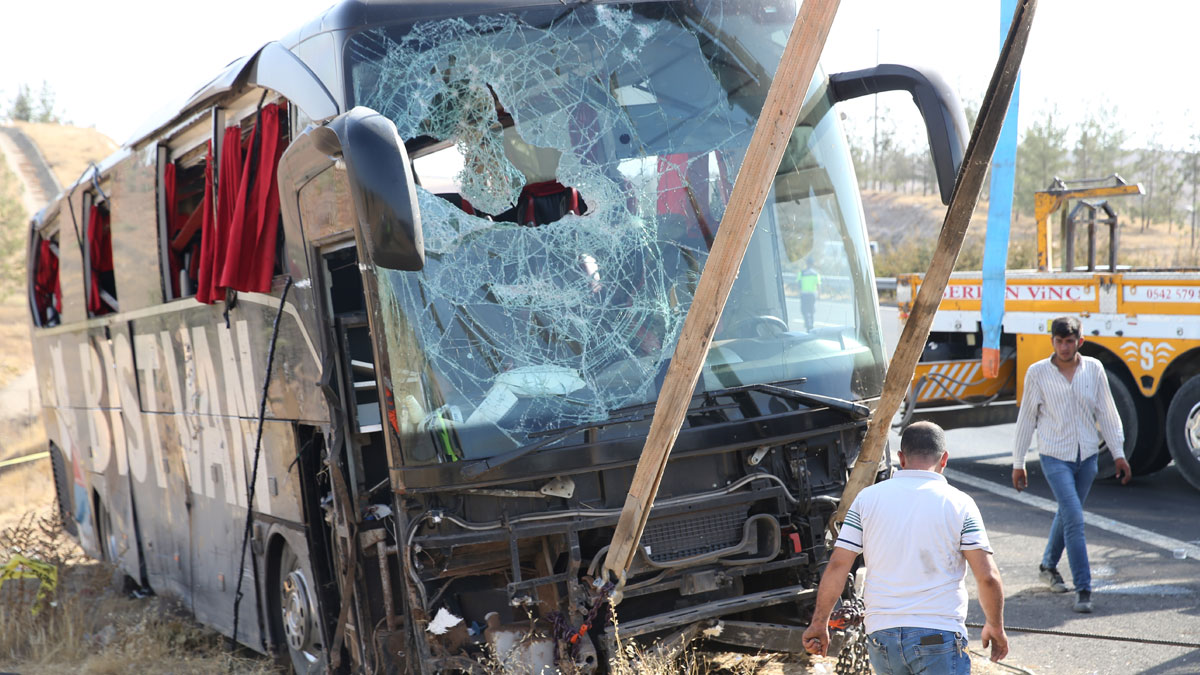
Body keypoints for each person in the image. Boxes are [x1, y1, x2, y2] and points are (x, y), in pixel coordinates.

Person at [802, 422, 1008, 673]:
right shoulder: (961, 504)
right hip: (938, 636)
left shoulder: (867, 499)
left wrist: (819, 622)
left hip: (882, 638)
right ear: (944, 459)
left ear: (900, 458)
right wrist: (995, 626)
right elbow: (987, 576)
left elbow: (837, 565)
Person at [1012, 315, 1131, 614]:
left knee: (1067, 513)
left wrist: (1118, 453)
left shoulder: (1094, 369)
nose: (1064, 347)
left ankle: (1048, 566)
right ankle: (1084, 589)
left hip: (1088, 457)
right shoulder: (1038, 373)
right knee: (1075, 519)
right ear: (1052, 341)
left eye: (1069, 341)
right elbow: (1026, 419)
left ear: (1080, 340)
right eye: (1059, 341)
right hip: (1055, 457)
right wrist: (1018, 462)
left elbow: (1107, 413)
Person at [797, 257, 821, 331]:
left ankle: (807, 323)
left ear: (806, 263)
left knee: (804, 310)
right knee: (811, 310)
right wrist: (819, 294)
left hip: (804, 295)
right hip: (812, 295)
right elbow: (818, 285)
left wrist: (799, 292)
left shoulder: (802, 273)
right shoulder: (816, 274)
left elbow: (798, 283)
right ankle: (811, 324)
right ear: (813, 264)